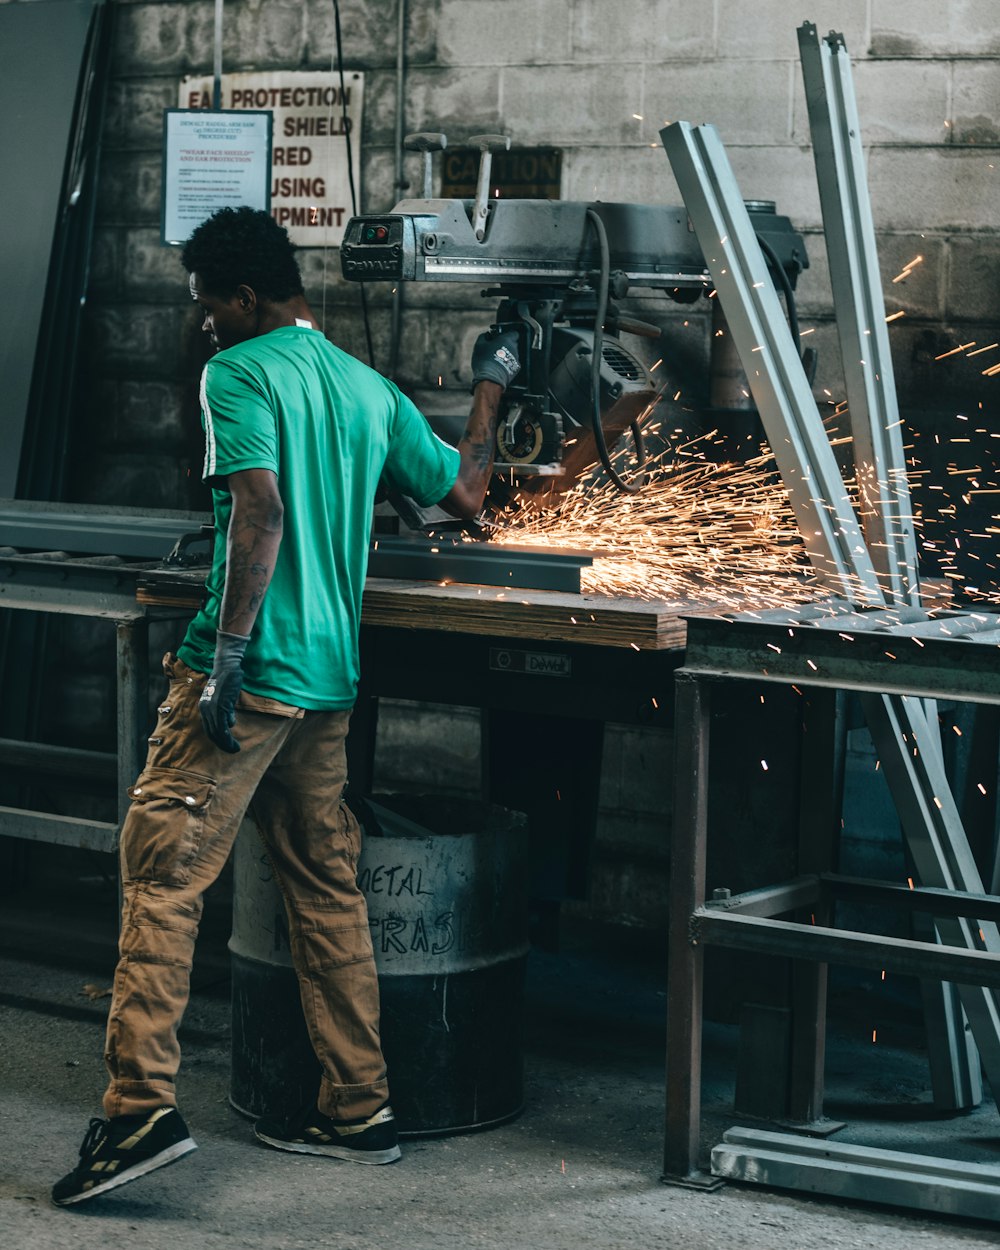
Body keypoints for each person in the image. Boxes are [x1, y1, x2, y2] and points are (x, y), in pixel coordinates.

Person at [52, 205, 521, 1206]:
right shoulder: (366, 386)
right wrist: (493, 383)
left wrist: (222, 661)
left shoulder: (239, 373)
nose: (204, 325)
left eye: (209, 307)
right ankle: (358, 1107)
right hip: (327, 685)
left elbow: (258, 509)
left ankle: (136, 1113)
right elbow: (467, 493)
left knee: (161, 873)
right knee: (324, 886)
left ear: (246, 295)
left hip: (251, 674)